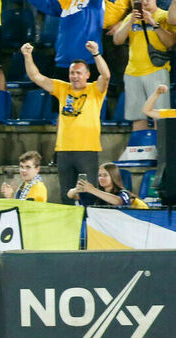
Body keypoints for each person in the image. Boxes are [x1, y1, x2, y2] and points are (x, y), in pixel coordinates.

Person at [22, 41, 110, 205]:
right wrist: (27, 56)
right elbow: (36, 77)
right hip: (64, 151)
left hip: (87, 150)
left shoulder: (95, 90)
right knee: (66, 195)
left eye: (78, 73)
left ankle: (89, 229)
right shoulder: (63, 88)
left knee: (88, 194)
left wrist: (96, 54)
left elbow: (106, 76)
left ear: (87, 75)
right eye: (72, 73)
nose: (75, 76)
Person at [112, 0, 175, 132]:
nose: (144, 1)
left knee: (161, 117)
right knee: (138, 118)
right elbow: (117, 40)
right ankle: (140, 150)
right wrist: (130, 22)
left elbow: (170, 43)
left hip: (156, 71)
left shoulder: (164, 16)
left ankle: (161, 151)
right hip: (132, 73)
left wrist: (154, 23)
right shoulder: (131, 17)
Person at [27, 0, 105, 79]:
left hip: (87, 63)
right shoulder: (64, 4)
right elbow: (46, 5)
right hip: (63, 62)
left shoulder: (94, 3)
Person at [67, 162, 148, 208]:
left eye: (105, 175)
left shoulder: (123, 193)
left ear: (113, 176)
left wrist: (92, 190)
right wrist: (76, 189)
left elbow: (118, 202)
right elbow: (71, 195)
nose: (101, 178)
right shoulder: (96, 194)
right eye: (99, 175)